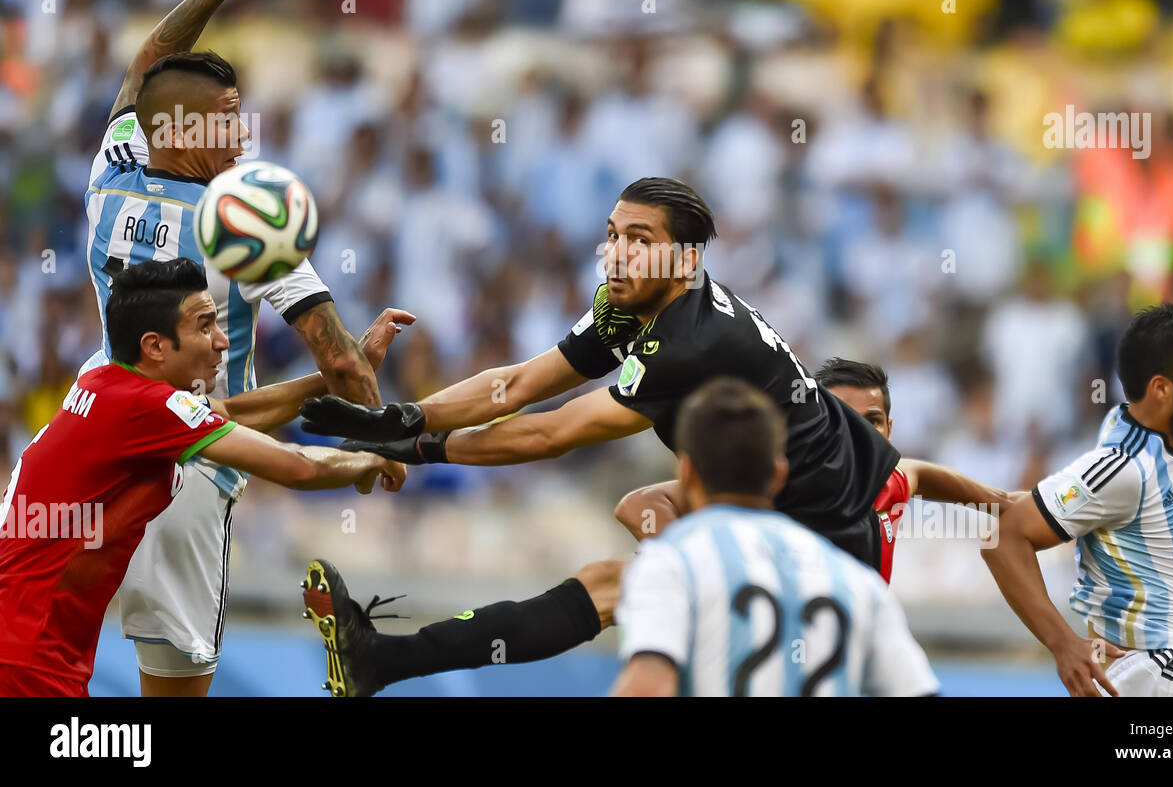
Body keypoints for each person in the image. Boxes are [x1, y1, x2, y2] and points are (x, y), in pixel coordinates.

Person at [298, 177, 902, 696]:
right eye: (613, 235)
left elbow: (549, 436)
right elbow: (516, 385)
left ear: (686, 261)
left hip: (827, 537)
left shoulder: (693, 342)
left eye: (640, 241)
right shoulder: (631, 303)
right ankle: (379, 661)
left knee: (621, 590)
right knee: (610, 585)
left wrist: (418, 447)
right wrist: (404, 419)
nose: (617, 253)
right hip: (771, 513)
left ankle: (381, 661)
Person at [84, 0, 399, 696]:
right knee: (176, 682)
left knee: (37, 637)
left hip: (90, 430)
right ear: (187, 128)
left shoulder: (111, 166)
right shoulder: (243, 222)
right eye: (227, 117)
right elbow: (335, 358)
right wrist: (384, 430)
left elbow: (149, 67)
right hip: (191, 460)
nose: (242, 132)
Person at [0, 260, 405, 697]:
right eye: (204, 326)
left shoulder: (105, 384)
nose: (221, 341)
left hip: (24, 646)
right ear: (155, 346)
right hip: (28, 661)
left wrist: (345, 371)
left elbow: (234, 413)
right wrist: (373, 456)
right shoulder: (148, 407)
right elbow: (297, 466)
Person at [981, 303, 1173, 697]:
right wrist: (1062, 644)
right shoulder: (1123, 468)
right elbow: (1004, 538)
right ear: (1162, 389)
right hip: (1147, 675)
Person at [608, 377, 939, 697]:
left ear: (687, 471)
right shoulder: (857, 582)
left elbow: (647, 688)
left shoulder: (672, 563)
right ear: (780, 474)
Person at [617, 356, 1020, 583]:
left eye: (873, 421)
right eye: (845, 420)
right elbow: (640, 505)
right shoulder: (778, 481)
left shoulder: (894, 480)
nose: (861, 434)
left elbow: (923, 477)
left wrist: (1006, 503)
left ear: (890, 431)